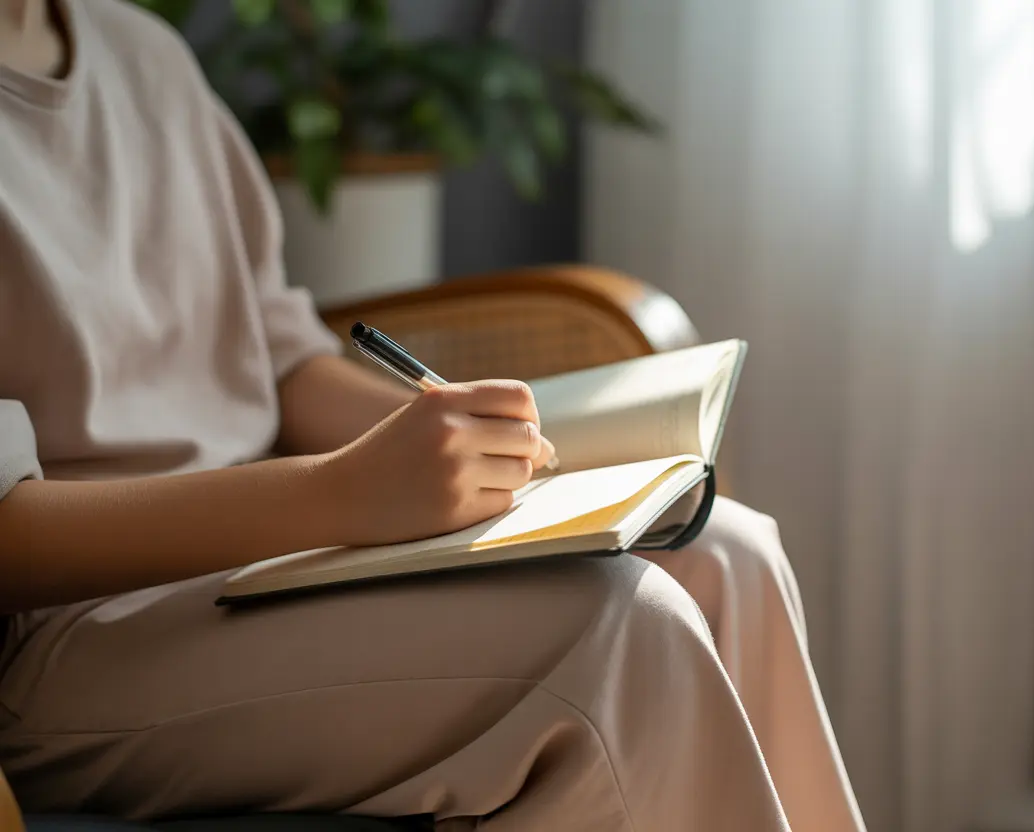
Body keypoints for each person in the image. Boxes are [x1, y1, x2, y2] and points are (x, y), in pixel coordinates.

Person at [0, 1, 865, 829]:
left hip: (272, 564)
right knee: (620, 631)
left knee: (726, 554)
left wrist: (453, 448)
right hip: (69, 637)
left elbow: (276, 358)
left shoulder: (144, 57)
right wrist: (344, 495)